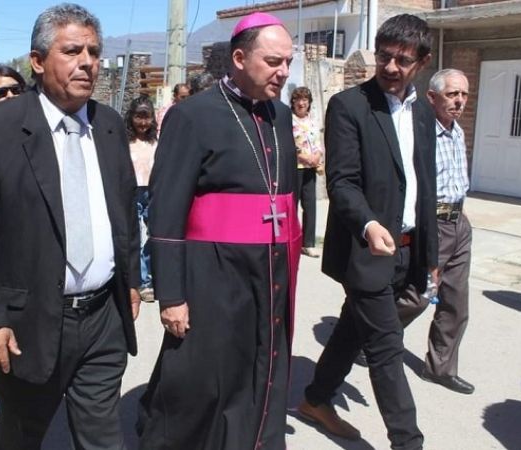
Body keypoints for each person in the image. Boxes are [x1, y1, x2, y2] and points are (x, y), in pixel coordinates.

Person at [0, 4, 140, 449]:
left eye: (94, 52)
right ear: (37, 62)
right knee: (22, 434)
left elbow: (125, 212)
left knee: (102, 437)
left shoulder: (110, 125)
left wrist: (130, 280)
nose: (87, 62)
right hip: (27, 324)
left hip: (102, 320)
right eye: (72, 50)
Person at [138, 12, 301, 449]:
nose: (283, 71)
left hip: (267, 270)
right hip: (212, 271)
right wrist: (171, 296)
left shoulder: (281, 116)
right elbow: (166, 210)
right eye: (273, 61)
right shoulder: (192, 115)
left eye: (288, 61)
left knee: (261, 362)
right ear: (240, 57)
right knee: (202, 377)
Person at [298, 15, 437, 450]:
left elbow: (424, 184)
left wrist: (428, 253)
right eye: (384, 56)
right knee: (385, 347)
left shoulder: (423, 113)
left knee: (352, 329)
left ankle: (316, 399)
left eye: (402, 59)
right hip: (368, 248)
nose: (391, 67)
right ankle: (407, 441)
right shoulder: (350, 105)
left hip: (407, 248)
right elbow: (341, 181)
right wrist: (370, 223)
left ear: (422, 61)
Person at [395, 68, 475, 395]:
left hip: (459, 222)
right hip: (433, 222)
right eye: (451, 94)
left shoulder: (457, 131)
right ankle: (369, 334)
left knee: (456, 301)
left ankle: (440, 367)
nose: (458, 101)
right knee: (419, 294)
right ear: (432, 97)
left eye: (464, 95)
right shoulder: (421, 133)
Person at [126, 96, 158, 303]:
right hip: (132, 191)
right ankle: (141, 281)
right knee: (135, 237)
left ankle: (149, 276)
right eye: (139, 117)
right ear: (131, 117)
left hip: (153, 191)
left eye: (147, 118)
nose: (143, 123)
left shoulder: (156, 141)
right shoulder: (124, 140)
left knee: (153, 236)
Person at [290, 86, 324, 258]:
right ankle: (291, 240)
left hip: (311, 168)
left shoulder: (312, 120)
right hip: (295, 167)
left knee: (310, 206)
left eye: (305, 100)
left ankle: (308, 243)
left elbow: (317, 141)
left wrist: (317, 155)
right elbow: (289, 145)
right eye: (298, 99)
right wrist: (305, 157)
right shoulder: (290, 120)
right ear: (293, 102)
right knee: (292, 204)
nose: (302, 103)